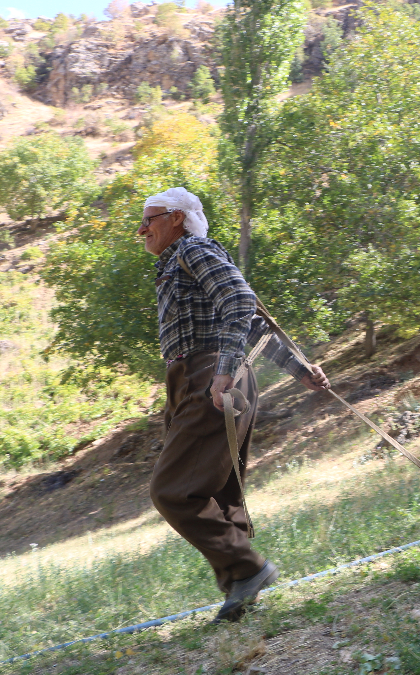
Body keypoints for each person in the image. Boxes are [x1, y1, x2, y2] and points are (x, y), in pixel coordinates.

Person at [138, 187, 331, 623]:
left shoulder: (193, 248)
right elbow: (253, 322)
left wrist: (223, 371)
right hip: (194, 378)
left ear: (177, 219)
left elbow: (240, 302)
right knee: (219, 491)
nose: (142, 230)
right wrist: (299, 368)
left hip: (210, 377)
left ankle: (247, 570)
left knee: (173, 491)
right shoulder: (177, 260)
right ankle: (242, 591)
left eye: (149, 219)